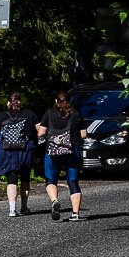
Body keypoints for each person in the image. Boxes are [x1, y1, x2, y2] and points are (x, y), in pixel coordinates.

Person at [37, 90, 89, 222]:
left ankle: (54, 201)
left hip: (52, 152)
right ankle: (75, 213)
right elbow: (84, 134)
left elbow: (41, 132)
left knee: (50, 179)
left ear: (56, 101)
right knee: (73, 181)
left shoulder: (49, 113)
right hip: (72, 151)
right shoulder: (76, 114)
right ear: (69, 100)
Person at [0, 92, 38, 217]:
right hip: (25, 151)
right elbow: (40, 131)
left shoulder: (1, 116)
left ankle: (12, 209)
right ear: (20, 102)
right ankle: (24, 207)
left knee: (12, 178)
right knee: (25, 178)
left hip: (7, 151)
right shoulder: (30, 114)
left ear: (8, 103)